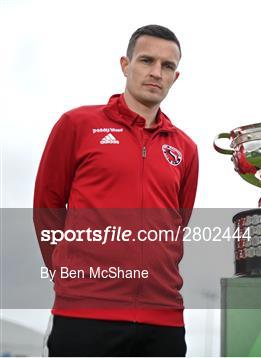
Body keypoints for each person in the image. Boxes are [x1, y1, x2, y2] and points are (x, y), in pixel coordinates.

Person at [33, 24, 198, 356]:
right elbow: (46, 206)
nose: (156, 72)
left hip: (163, 318)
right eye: (146, 60)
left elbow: (177, 223)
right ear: (125, 65)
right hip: (85, 312)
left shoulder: (186, 148)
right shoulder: (77, 124)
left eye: (167, 66)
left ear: (175, 77)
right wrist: (68, 274)